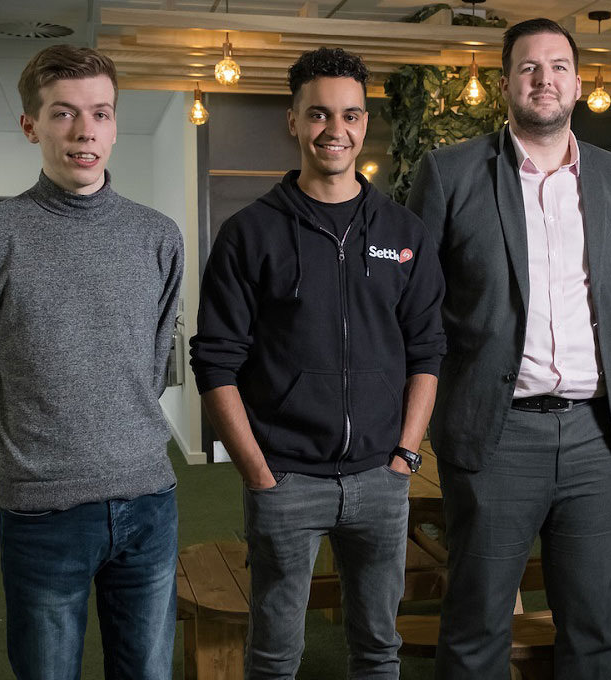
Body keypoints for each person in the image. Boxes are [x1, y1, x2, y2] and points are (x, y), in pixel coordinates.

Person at [189, 47, 445, 679]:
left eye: (352, 115)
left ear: (365, 121)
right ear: (294, 120)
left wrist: (404, 457)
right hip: (286, 481)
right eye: (320, 114)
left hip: (380, 481)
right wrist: (258, 472)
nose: (337, 130)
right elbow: (216, 363)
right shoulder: (249, 234)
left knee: (378, 651)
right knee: (276, 656)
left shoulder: (403, 231)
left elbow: (427, 351)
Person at [406, 17, 611, 680]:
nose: (545, 79)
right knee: (477, 624)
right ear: (505, 82)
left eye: (558, 66)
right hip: (496, 435)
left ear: (578, 81)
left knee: (595, 628)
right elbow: (415, 299)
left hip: (599, 437)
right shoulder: (450, 172)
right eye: (529, 67)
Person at [0, 45, 183, 680]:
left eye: (101, 114)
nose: (85, 132)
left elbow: (155, 360)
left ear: (113, 123)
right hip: (43, 511)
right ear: (31, 126)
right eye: (64, 113)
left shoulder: (157, 235)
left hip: (148, 500)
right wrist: (28, 464)